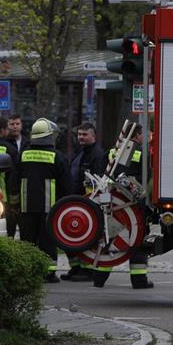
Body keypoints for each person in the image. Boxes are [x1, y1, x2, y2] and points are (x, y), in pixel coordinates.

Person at [94, 126, 154, 289]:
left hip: (113, 202)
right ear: (137, 135)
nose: (147, 138)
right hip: (135, 204)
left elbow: (102, 174)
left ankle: (99, 279)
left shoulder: (112, 152)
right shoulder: (142, 153)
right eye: (146, 135)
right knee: (138, 239)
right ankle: (139, 280)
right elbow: (148, 178)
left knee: (110, 238)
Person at [18, 117, 72, 283]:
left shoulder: (23, 155)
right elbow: (66, 184)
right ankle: (48, 273)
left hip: (26, 206)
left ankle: (28, 272)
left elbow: (14, 179)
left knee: (27, 240)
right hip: (51, 207)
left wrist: (13, 202)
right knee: (48, 241)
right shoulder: (57, 157)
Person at [60, 121, 109, 282]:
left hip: (88, 203)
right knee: (71, 236)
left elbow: (98, 181)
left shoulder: (98, 154)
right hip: (77, 201)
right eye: (79, 134)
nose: (81, 137)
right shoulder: (81, 153)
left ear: (93, 136)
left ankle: (87, 271)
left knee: (87, 238)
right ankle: (76, 267)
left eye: (84, 134)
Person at [0, 115, 20, 238]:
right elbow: (14, 179)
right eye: (7, 129)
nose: (8, 132)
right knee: (6, 233)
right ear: (1, 131)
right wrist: (15, 204)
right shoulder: (10, 149)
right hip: (3, 198)